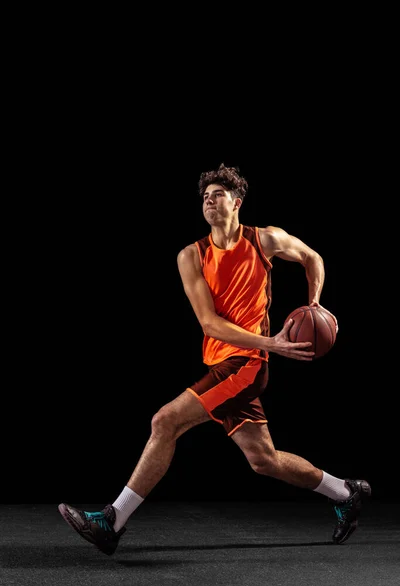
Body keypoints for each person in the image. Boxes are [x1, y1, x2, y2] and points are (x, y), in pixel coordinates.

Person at [58, 163, 371, 556]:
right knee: (264, 460)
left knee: (164, 421)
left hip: (247, 365)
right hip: (227, 362)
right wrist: (271, 342)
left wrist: (315, 302)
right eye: (205, 196)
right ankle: (345, 492)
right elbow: (210, 323)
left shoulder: (265, 240)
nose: (209, 200)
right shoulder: (191, 256)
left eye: (218, 194)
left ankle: (112, 521)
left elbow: (313, 258)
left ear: (237, 202)